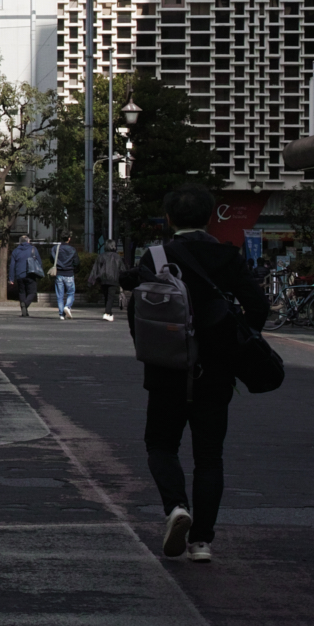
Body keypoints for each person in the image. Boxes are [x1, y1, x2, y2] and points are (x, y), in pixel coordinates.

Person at [119, 184, 269, 563]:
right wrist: (239, 339)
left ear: (168, 218)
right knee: (210, 457)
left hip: (167, 369)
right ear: (208, 217)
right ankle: (202, 542)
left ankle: (175, 507)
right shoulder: (226, 256)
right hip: (216, 373)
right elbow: (258, 305)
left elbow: (137, 310)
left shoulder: (156, 257)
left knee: (161, 445)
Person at [9, 235, 41, 317]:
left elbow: (12, 265)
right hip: (30, 274)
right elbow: (39, 262)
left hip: (19, 275)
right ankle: (25, 304)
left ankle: (24, 311)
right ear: (28, 241)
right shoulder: (33, 249)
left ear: (20, 242)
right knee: (32, 292)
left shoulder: (15, 251)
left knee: (22, 292)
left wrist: (11, 278)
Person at [93, 241, 125, 321]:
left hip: (103, 279)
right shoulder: (117, 257)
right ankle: (107, 313)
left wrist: (92, 280)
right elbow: (122, 270)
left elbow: (96, 268)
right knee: (110, 297)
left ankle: (109, 313)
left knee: (106, 297)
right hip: (113, 279)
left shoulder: (101, 256)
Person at [53, 240, 80, 319]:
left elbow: (52, 259)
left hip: (59, 273)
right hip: (69, 273)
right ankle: (67, 306)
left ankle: (61, 314)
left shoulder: (55, 248)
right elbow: (76, 262)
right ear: (69, 239)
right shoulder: (72, 249)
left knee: (59, 295)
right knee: (71, 293)